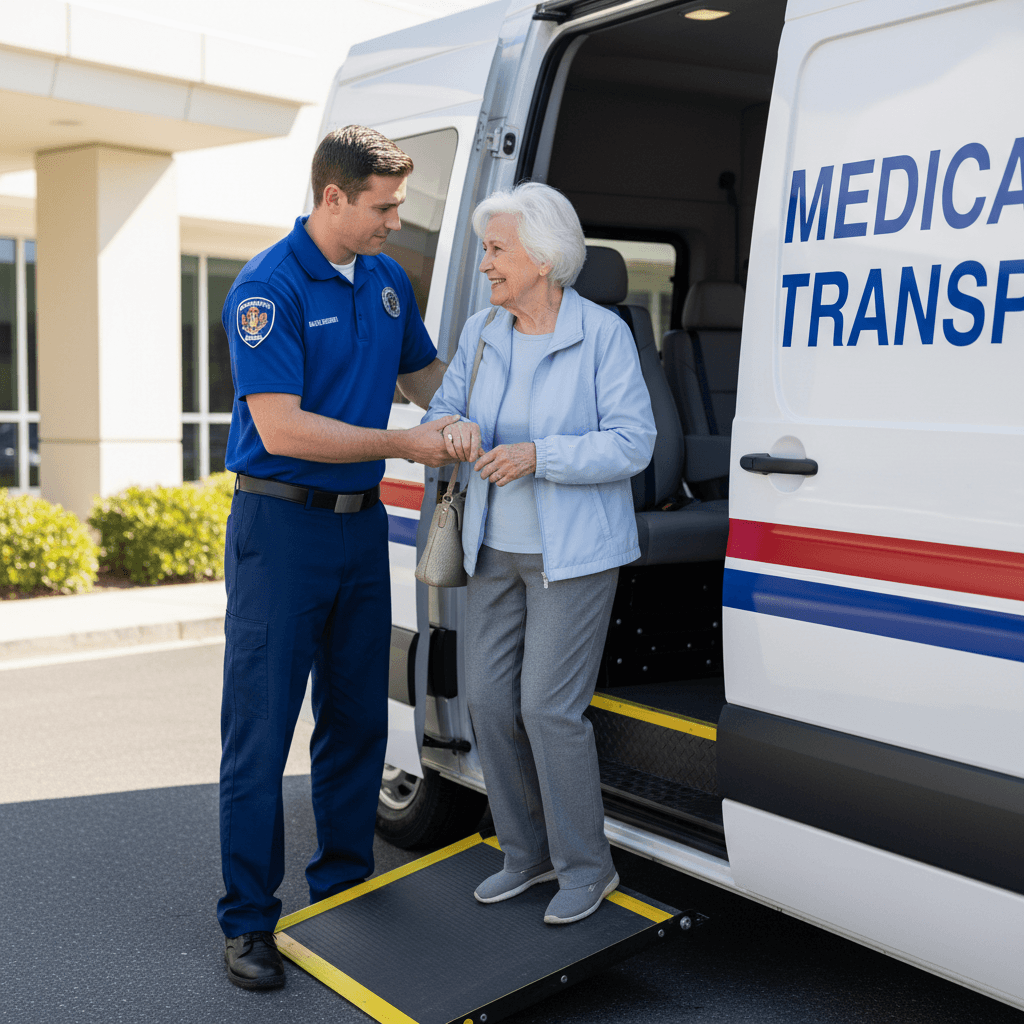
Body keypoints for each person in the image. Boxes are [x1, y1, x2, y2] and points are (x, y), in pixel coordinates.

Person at [218, 125, 461, 990]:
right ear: (333, 197)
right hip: (279, 531)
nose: (398, 220)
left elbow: (429, 379)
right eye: (384, 206)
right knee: (261, 732)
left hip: (361, 530)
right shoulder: (268, 287)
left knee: (358, 720)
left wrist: (479, 415)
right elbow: (281, 426)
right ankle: (248, 921)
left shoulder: (389, 282)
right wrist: (408, 442)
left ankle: (343, 891)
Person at [426, 182, 656, 925]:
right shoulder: (481, 332)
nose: (485, 263)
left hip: (574, 556)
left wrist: (540, 456)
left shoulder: (602, 334)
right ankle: (523, 855)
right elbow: (440, 411)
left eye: (496, 249)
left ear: (543, 255)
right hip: (492, 547)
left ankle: (588, 869)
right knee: (489, 704)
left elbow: (633, 442)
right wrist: (453, 429)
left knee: (547, 710)